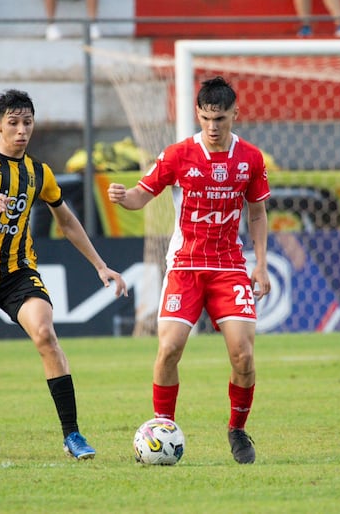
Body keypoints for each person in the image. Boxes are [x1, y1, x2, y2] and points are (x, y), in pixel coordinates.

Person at [0, 88, 127, 460]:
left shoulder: (38, 172)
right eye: (14, 123)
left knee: (46, 336)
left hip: (19, 272)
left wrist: (101, 265)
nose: (22, 131)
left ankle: (73, 436)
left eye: (28, 123)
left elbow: (66, 221)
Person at [106, 77, 272, 464]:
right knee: (168, 349)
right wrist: (121, 197)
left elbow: (258, 212)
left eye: (221, 118)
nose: (213, 126)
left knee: (243, 357)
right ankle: (162, 429)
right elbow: (139, 196)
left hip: (230, 266)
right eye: (206, 118)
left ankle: (237, 429)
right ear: (197, 114)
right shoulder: (178, 155)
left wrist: (260, 264)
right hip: (185, 265)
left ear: (235, 115)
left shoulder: (251, 158)